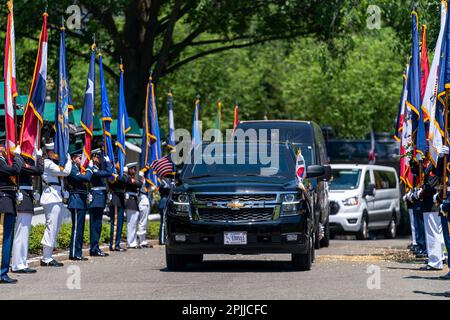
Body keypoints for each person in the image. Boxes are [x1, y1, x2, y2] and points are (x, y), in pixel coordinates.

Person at [11, 149, 44, 274]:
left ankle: (22, 262)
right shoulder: (19, 162)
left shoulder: (24, 161)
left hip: (27, 196)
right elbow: (39, 170)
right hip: (23, 197)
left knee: (24, 233)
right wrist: (40, 157)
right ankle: (18, 264)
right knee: (21, 232)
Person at [40, 142, 72, 267]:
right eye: (54, 151)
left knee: (55, 227)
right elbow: (66, 172)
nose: (57, 154)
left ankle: (48, 256)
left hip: (57, 196)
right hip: (51, 197)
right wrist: (68, 159)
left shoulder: (55, 163)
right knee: (51, 226)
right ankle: (46, 258)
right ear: (49, 152)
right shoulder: (48, 164)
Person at [0, 144, 24, 284]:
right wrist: (18, 156)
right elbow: (15, 169)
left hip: (7, 201)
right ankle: (1, 272)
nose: (4, 147)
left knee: (7, 238)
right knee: (4, 238)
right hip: (4, 202)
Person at [66, 150, 93, 260]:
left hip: (81, 201)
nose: (81, 160)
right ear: (73, 159)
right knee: (76, 228)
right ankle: (73, 253)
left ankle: (78, 252)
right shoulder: (72, 169)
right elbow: (86, 178)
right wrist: (90, 169)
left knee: (80, 229)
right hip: (76, 201)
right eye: (79, 158)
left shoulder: (80, 170)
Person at [417, 162, 445, 271]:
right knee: (436, 233)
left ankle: (435, 262)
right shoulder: (433, 162)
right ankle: (439, 258)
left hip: (431, 203)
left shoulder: (434, 162)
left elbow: (430, 183)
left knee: (432, 234)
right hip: (433, 204)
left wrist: (420, 193)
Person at [88, 149, 113, 257]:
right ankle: (94, 249)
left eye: (99, 157)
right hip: (96, 199)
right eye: (96, 157)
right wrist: (107, 163)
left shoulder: (97, 168)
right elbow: (109, 173)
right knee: (95, 225)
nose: (98, 159)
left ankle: (95, 247)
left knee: (98, 225)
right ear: (92, 157)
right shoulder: (93, 169)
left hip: (100, 198)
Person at [108, 163, 128, 251]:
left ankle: (117, 244)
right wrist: (116, 175)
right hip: (115, 199)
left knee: (120, 223)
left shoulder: (120, 174)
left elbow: (125, 179)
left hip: (121, 200)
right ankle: (113, 244)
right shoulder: (111, 174)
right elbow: (111, 180)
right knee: (115, 223)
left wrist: (118, 175)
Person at [124, 163, 143, 249]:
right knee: (131, 223)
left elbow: (138, 183)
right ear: (129, 170)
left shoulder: (132, 178)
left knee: (134, 222)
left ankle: (133, 242)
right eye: (133, 169)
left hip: (134, 201)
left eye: (135, 169)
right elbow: (139, 184)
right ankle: (130, 242)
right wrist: (140, 181)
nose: (135, 171)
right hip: (130, 201)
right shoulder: (128, 178)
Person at [137, 177, 153, 248]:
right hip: (144, 203)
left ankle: (142, 240)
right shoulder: (142, 184)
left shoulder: (143, 183)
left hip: (144, 202)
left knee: (144, 222)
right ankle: (141, 241)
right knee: (142, 222)